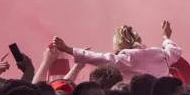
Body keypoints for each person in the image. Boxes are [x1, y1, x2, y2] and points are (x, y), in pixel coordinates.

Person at [51, 21, 182, 80]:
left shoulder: (125, 59)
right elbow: (174, 50)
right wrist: (166, 37)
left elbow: (99, 57)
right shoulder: (161, 54)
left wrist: (67, 49)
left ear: (119, 49)